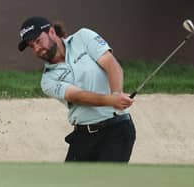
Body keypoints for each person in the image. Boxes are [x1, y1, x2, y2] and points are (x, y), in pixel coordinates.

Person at [18, 16, 136, 162]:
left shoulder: (83, 37)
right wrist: (111, 100)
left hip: (117, 129)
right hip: (83, 137)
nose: (37, 49)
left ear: (52, 33)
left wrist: (117, 94)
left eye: (38, 41)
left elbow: (111, 64)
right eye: (31, 46)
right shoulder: (48, 80)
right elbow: (78, 96)